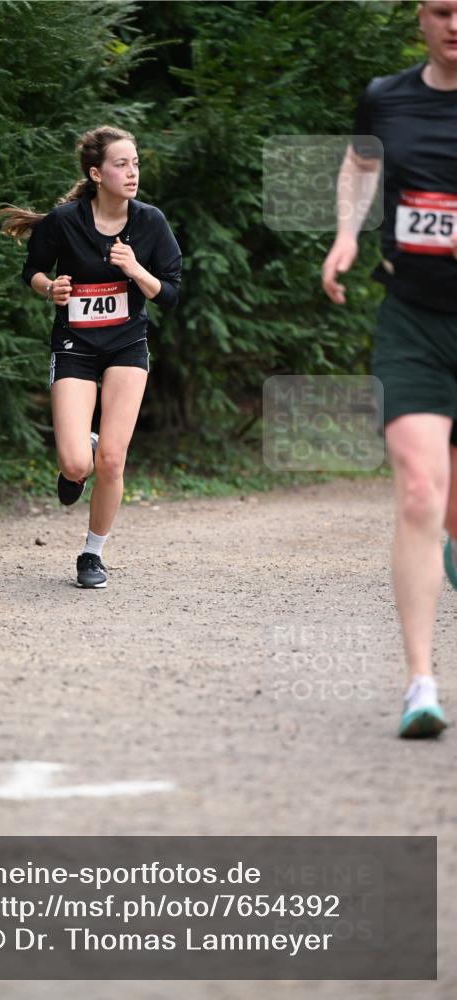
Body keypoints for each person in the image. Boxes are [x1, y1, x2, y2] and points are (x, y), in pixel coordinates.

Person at [321, 0, 457, 738]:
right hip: (409, 318)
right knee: (415, 491)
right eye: (441, 9)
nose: (454, 22)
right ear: (420, 17)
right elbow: (360, 162)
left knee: (449, 509)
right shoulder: (385, 96)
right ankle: (418, 682)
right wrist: (345, 234)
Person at [0, 125, 182, 588]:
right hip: (75, 346)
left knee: (114, 462)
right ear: (97, 173)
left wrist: (135, 268)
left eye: (136, 163)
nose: (132, 171)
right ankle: (87, 450)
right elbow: (33, 272)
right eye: (122, 164)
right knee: (77, 465)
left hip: (126, 345)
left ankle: (92, 554)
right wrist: (51, 288)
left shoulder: (150, 222)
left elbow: (172, 294)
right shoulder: (65, 221)